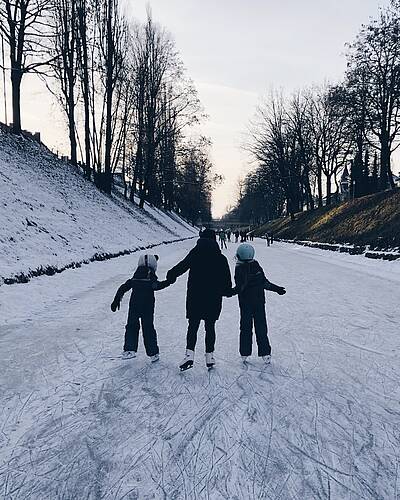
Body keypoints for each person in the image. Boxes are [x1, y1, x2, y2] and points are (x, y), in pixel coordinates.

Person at [167, 229, 232, 370]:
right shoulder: (221, 258)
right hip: (213, 298)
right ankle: (210, 356)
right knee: (210, 327)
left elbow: (182, 266)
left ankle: (189, 355)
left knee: (193, 326)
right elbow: (227, 281)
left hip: (195, 296)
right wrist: (228, 291)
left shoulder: (195, 253)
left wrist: (171, 275)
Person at [232, 243, 286, 364]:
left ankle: (245, 353)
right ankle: (265, 353)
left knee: (246, 327)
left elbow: (239, 288)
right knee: (261, 326)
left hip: (245, 303)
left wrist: (228, 292)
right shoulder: (256, 265)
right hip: (259, 302)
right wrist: (276, 289)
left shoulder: (239, 268)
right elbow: (264, 283)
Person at [111, 254, 171, 361]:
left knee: (131, 326)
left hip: (134, 305)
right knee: (148, 328)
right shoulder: (150, 277)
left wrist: (116, 300)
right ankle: (153, 353)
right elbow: (157, 286)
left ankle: (130, 349)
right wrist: (168, 282)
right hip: (147, 307)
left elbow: (124, 287)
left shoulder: (136, 277)